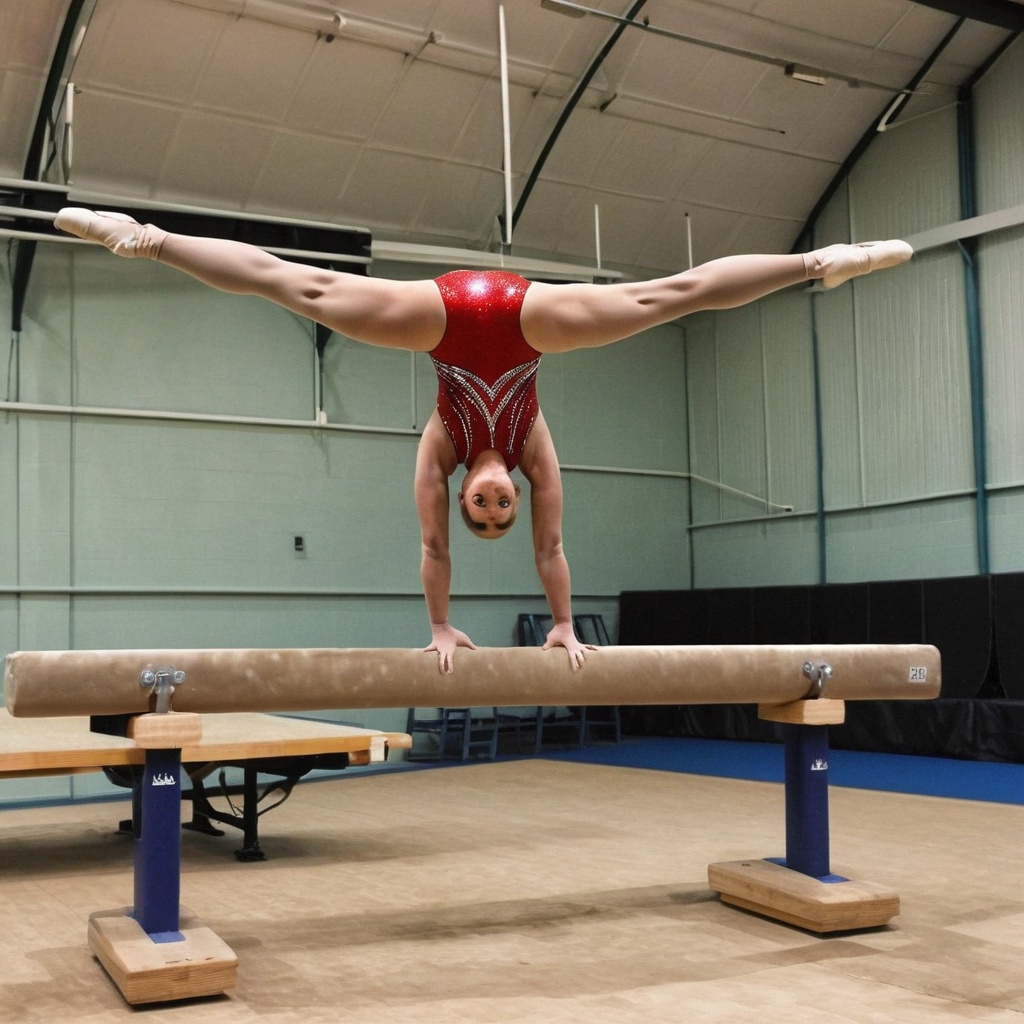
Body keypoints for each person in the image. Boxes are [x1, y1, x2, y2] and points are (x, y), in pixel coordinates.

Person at [54, 207, 912, 672]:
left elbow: (433, 550)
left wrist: (439, 626)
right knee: (663, 298)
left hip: (444, 325)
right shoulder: (537, 454)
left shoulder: (439, 452)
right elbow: (552, 549)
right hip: (526, 324)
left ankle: (149, 239)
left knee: (304, 288)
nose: (498, 502)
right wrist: (566, 625)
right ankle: (820, 263)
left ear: (466, 496)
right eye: (506, 509)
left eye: (486, 511)